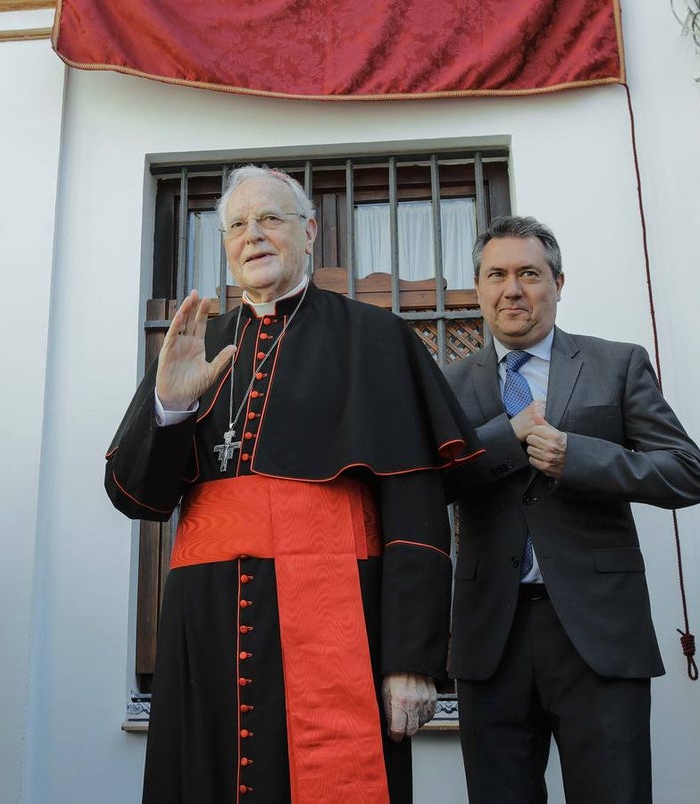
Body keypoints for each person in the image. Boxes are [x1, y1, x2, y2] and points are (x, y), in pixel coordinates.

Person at [105, 165, 482, 803]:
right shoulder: (198, 345)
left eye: (270, 219)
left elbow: (415, 512)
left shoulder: (376, 338)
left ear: (309, 232)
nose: (252, 235)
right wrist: (170, 406)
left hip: (339, 613)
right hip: (206, 623)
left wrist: (410, 661)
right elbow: (136, 497)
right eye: (236, 225)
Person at [445, 215, 700, 803]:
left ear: (558, 283)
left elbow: (687, 473)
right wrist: (507, 438)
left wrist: (580, 458)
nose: (512, 289)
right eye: (497, 275)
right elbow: (427, 485)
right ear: (478, 288)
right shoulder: (450, 383)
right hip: (491, 637)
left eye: (529, 273)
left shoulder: (617, 363)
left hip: (600, 633)